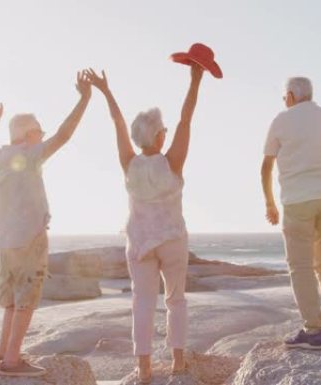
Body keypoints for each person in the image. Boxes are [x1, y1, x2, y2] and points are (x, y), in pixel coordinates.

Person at [85, 64, 204, 383]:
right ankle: (178, 362)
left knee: (142, 302)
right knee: (175, 299)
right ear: (159, 135)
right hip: (172, 240)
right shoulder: (171, 161)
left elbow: (117, 123)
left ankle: (144, 367)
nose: (167, 132)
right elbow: (186, 118)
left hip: (139, 243)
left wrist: (106, 91)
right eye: (163, 130)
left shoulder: (130, 163)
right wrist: (195, 80)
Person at [0, 72, 92, 377]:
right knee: (26, 299)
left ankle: (2, 352)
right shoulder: (29, 155)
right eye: (39, 131)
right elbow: (65, 134)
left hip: (4, 240)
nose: (43, 135)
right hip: (29, 237)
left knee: (10, 300)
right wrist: (84, 99)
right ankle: (12, 361)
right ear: (29, 134)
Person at [261, 77, 321, 349]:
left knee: (300, 268)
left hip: (299, 201)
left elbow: (266, 167)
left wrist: (270, 204)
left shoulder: (282, 119)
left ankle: (314, 331)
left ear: (289, 95)